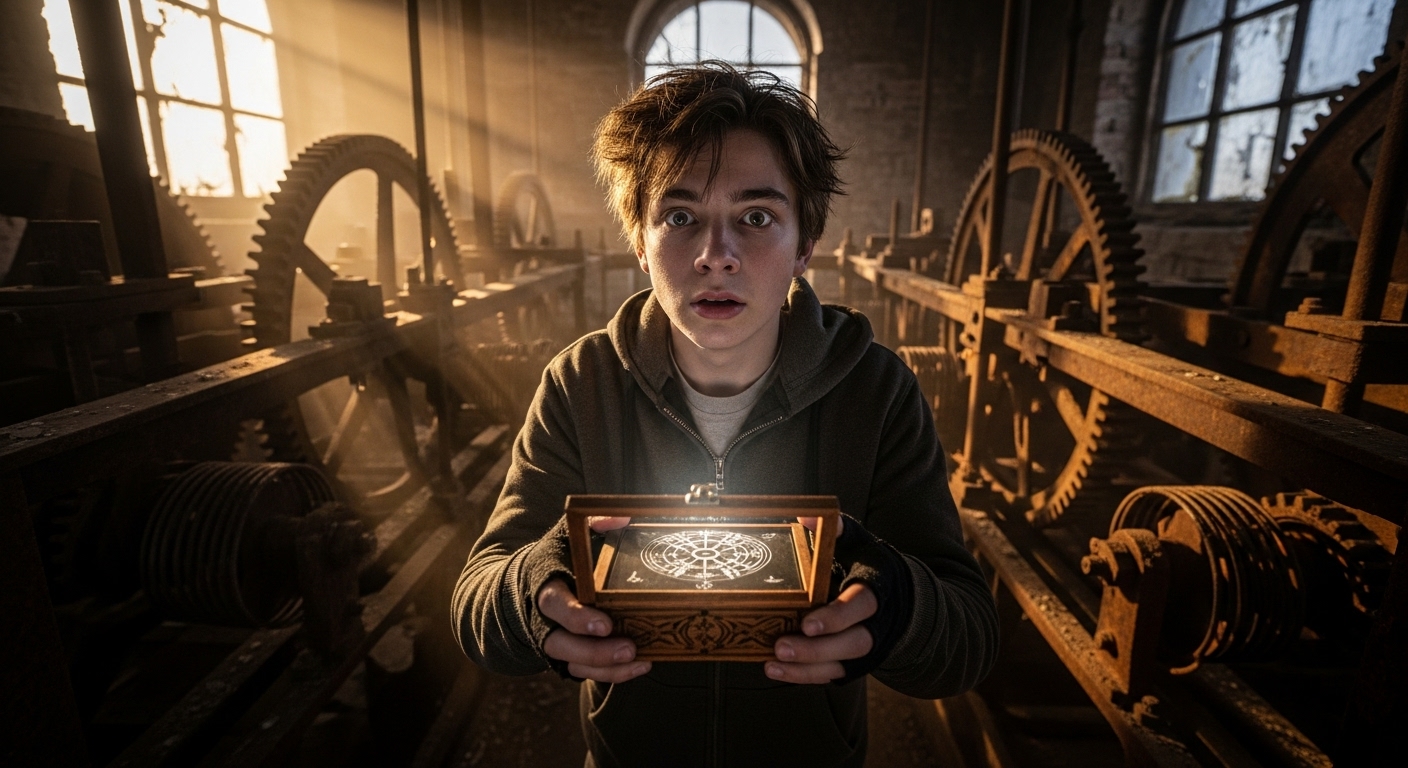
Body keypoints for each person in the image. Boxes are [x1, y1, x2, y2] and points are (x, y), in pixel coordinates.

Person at [453, 62, 998, 768]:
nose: (717, 256)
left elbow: (970, 637)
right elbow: (477, 600)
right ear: (639, 241)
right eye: (681, 217)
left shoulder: (877, 391)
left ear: (805, 245)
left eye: (757, 217)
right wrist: (534, 587)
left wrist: (898, 606)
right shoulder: (579, 384)